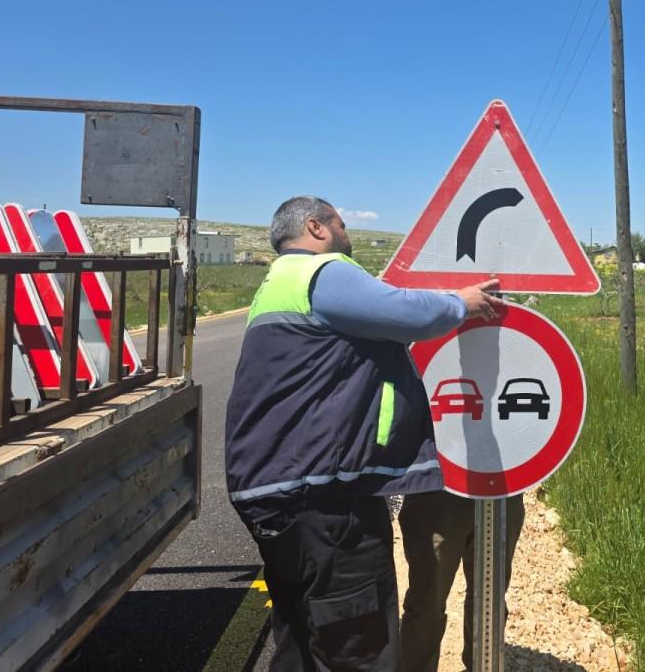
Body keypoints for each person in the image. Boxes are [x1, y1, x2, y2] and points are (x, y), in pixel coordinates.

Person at [225, 195, 503, 671]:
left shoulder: (276, 285)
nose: (346, 234)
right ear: (316, 227)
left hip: (277, 494)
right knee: (358, 646)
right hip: (325, 499)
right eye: (341, 224)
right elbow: (404, 312)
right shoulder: (320, 272)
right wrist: (463, 302)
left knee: (301, 640)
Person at [398, 492, 525, 672]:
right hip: (437, 487)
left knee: (489, 601)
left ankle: (483, 666)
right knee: (427, 600)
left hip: (502, 487)